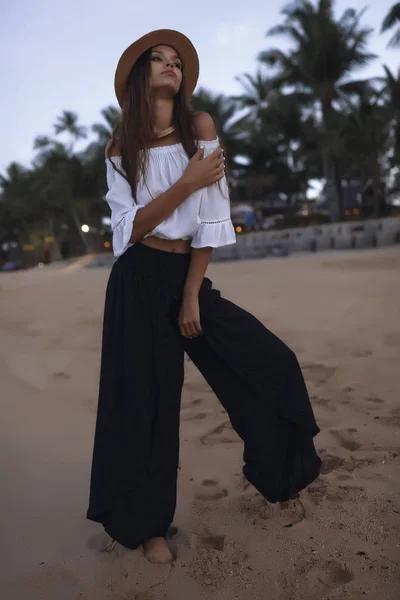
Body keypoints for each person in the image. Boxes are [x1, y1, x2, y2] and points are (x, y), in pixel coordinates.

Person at [86, 29, 321, 565]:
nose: (170, 65)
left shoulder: (200, 129)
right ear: (142, 76)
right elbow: (126, 232)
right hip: (135, 282)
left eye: (176, 61)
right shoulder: (120, 146)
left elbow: (213, 221)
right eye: (159, 60)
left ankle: (280, 481)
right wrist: (185, 184)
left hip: (184, 276)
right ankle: (148, 528)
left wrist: (192, 294)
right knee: (146, 402)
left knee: (267, 361)